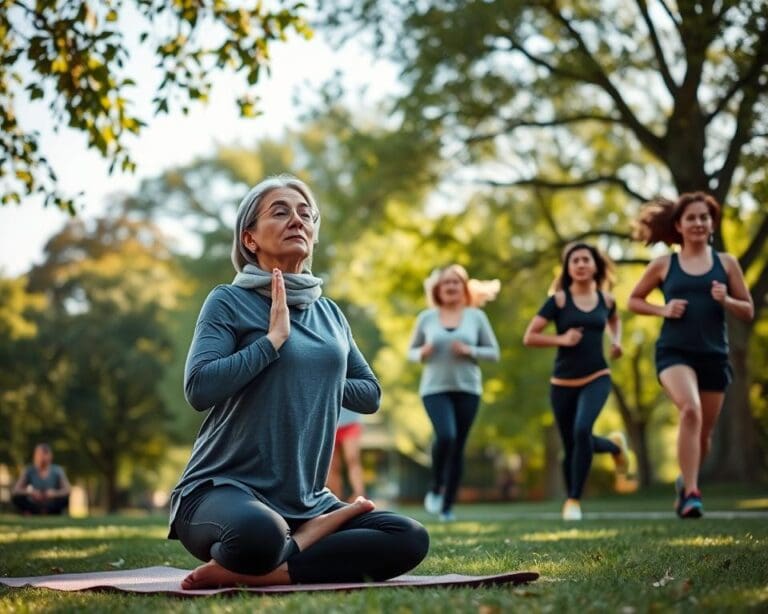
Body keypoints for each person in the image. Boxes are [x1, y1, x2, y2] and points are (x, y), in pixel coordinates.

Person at [168, 174, 429, 590]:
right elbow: (199, 387)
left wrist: (306, 374)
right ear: (249, 238)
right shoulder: (228, 301)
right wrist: (272, 344)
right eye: (281, 211)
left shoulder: (330, 314)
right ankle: (313, 535)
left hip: (306, 501)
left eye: (306, 214)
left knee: (409, 537)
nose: (298, 220)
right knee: (260, 536)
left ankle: (277, 570)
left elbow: (370, 395)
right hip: (221, 489)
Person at [628, 192, 753, 518]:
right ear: (679, 226)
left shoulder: (727, 264)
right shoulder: (664, 264)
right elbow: (634, 300)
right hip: (674, 352)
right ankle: (693, 495)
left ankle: (686, 480)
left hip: (713, 355)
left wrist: (727, 300)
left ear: (711, 223)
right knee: (690, 411)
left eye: (704, 217)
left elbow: (748, 311)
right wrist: (663, 309)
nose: (698, 223)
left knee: (704, 436)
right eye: (691, 218)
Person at [523, 243, 630, 521]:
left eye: (586, 259)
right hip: (562, 382)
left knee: (582, 430)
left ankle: (573, 501)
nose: (581, 264)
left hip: (597, 376)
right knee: (571, 445)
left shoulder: (606, 300)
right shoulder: (558, 301)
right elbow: (530, 336)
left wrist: (616, 342)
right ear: (568, 268)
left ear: (595, 265)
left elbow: (615, 321)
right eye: (575, 261)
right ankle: (615, 447)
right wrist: (561, 339)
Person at [407, 264, 500, 522]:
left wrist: (471, 351)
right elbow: (411, 352)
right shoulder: (426, 318)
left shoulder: (476, 318)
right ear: (438, 289)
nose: (450, 287)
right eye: (446, 283)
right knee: (446, 436)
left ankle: (447, 507)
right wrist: (421, 353)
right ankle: (437, 485)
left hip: (468, 388)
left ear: (464, 288)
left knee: (458, 446)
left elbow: (493, 352)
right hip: (434, 389)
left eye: (455, 282)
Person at [11, 443, 71, 515]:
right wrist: (31, 492)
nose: (40, 458)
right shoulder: (29, 470)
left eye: (43, 455)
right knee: (17, 498)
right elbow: (16, 490)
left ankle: (50, 513)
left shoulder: (57, 470)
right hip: (34, 503)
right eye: (38, 455)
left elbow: (67, 490)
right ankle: (31, 512)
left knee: (65, 499)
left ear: (49, 456)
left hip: (51, 503)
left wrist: (54, 493)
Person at [327, 408, 366, 501]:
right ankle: (335, 499)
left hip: (351, 421)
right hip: (328, 422)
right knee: (332, 465)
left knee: (352, 459)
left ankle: (359, 495)